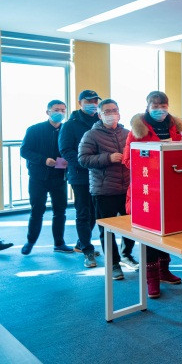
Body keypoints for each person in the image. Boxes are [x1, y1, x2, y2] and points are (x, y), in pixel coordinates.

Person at [122, 91, 182, 298]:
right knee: (149, 233)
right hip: (147, 188)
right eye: (155, 106)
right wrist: (153, 163)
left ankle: (164, 271)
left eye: (163, 105)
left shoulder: (176, 126)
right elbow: (128, 160)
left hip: (171, 187)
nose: (160, 109)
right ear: (148, 106)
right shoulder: (138, 128)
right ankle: (152, 278)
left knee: (167, 231)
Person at [78, 99, 134, 280]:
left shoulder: (128, 133)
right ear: (100, 115)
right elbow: (83, 159)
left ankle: (126, 255)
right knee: (107, 230)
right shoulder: (91, 135)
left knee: (132, 226)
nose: (111, 114)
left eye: (114, 110)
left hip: (127, 189)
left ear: (119, 113)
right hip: (104, 190)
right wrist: (108, 158)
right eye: (107, 111)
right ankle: (113, 263)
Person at [20, 100, 73, 255]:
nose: (60, 113)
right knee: (37, 210)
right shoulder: (34, 129)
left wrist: (61, 163)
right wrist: (43, 160)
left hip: (59, 177)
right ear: (48, 112)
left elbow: (70, 153)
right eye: (56, 110)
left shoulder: (66, 130)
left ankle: (59, 243)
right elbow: (24, 151)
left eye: (63, 110)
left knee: (60, 211)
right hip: (37, 178)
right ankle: (30, 242)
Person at [58, 89, 103, 268]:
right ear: (80, 103)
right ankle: (87, 250)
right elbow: (65, 150)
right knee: (83, 212)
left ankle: (80, 243)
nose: (93, 104)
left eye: (95, 101)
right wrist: (85, 162)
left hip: (99, 174)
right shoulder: (70, 125)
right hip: (80, 175)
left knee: (94, 212)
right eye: (88, 101)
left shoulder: (100, 121)